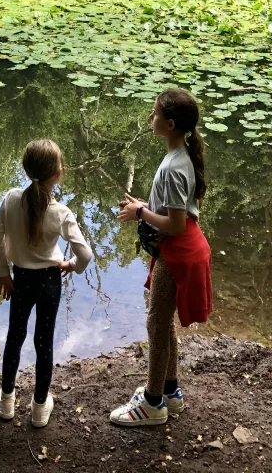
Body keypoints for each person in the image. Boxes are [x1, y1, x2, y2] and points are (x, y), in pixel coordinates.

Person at [110, 88, 212, 427]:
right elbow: (172, 212)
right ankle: (170, 392)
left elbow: (176, 223)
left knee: (156, 322)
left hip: (178, 252)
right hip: (181, 248)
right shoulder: (181, 156)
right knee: (162, 320)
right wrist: (144, 205)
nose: (150, 118)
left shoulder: (173, 167)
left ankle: (152, 404)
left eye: (154, 114)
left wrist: (141, 212)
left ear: (169, 124)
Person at [0, 139, 92, 428]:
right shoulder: (61, 212)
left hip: (20, 280)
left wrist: (3, 274)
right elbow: (85, 254)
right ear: (57, 174)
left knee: (15, 337)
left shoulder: (11, 199)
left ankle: (7, 401)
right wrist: (71, 265)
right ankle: (38, 408)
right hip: (49, 282)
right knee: (43, 342)